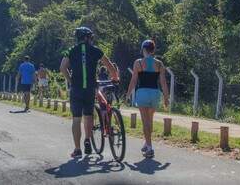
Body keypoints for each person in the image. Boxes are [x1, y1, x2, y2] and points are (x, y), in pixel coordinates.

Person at [60, 27, 119, 158]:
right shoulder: (96, 50)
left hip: (76, 89)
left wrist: (71, 80)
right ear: (86, 38)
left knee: (76, 119)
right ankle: (87, 139)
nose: (92, 40)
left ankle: (77, 149)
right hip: (90, 88)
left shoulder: (70, 50)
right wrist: (115, 77)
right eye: (91, 37)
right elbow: (109, 65)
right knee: (88, 115)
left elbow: (62, 67)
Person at [126, 40, 169, 158]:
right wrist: (166, 98)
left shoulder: (138, 62)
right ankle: (146, 142)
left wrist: (128, 93)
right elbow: (163, 83)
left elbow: (134, 80)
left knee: (145, 121)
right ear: (153, 50)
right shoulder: (159, 64)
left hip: (142, 93)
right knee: (150, 120)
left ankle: (149, 147)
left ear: (143, 49)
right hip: (155, 93)